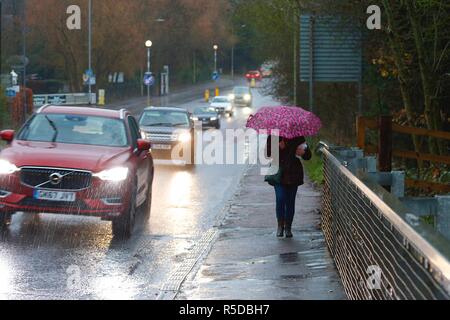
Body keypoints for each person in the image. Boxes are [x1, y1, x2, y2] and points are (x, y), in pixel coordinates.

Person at [266, 135, 312, 238]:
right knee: (280, 198)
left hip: (293, 174)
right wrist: (278, 147)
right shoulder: (274, 135)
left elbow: (308, 156)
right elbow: (267, 154)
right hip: (278, 173)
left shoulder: (298, 137)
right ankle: (280, 226)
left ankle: (288, 227)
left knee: (290, 201)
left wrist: (303, 152)